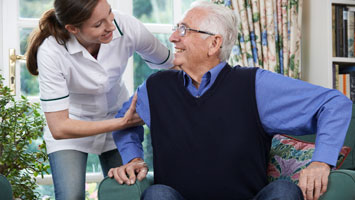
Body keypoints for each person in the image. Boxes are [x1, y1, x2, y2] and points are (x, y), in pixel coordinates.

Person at [108, 1, 352, 200]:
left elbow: (334, 104)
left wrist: (321, 161)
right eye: (176, 28)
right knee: (157, 194)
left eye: (184, 30)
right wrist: (133, 158)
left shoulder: (256, 85)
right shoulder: (155, 87)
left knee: (284, 191)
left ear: (214, 43)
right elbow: (124, 119)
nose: (173, 37)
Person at [25, 0, 174, 199]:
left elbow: (173, 65)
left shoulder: (127, 26)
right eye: (98, 25)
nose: (111, 26)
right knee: (70, 196)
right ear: (73, 29)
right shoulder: (51, 51)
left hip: (117, 117)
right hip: (73, 124)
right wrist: (121, 122)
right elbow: (59, 127)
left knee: (126, 191)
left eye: (110, 13)